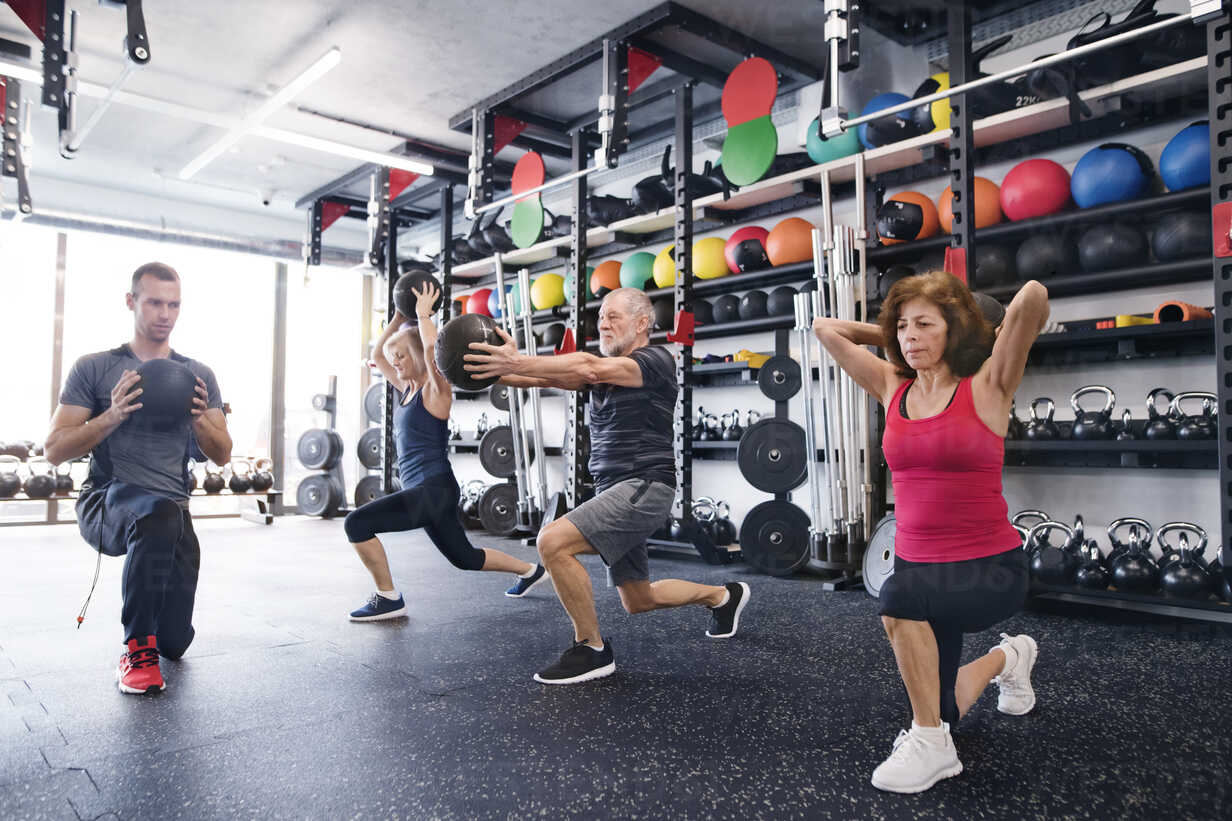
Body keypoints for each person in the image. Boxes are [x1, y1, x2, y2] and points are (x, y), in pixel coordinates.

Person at [813, 271, 1048, 793]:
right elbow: (826, 329)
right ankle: (1010, 658)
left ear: (956, 331)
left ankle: (931, 745)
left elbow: (1032, 294)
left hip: (988, 569)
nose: (910, 335)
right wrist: (898, 337)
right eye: (903, 326)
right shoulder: (891, 385)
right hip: (922, 570)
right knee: (945, 706)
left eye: (925, 325)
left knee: (898, 598)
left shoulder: (989, 385)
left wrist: (967, 333)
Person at [465, 286, 750, 685]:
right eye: (600, 318)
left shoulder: (654, 361)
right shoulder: (602, 374)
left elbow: (588, 368)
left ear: (642, 322)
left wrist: (516, 359)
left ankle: (591, 649)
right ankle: (722, 596)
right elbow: (538, 375)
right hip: (616, 489)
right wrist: (492, 367)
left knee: (551, 542)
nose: (603, 323)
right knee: (639, 598)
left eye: (613, 316)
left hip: (644, 485)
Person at [45, 262, 231, 695]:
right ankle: (135, 650)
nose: (165, 313)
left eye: (174, 304)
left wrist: (200, 418)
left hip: (174, 509)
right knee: (157, 515)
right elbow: (54, 450)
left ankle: (155, 640)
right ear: (131, 302)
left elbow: (222, 456)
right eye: (154, 302)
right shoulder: (94, 368)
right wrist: (112, 415)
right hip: (108, 499)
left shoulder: (198, 375)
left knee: (175, 642)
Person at [343, 282, 547, 622]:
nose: (395, 361)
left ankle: (388, 597)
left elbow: (430, 349)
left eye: (401, 355)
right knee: (464, 557)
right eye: (396, 357)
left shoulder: (435, 390)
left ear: (418, 358)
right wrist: (398, 316)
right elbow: (378, 355)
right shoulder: (405, 389)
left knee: (356, 524)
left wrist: (424, 317)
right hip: (430, 491)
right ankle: (530, 571)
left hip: (431, 489)